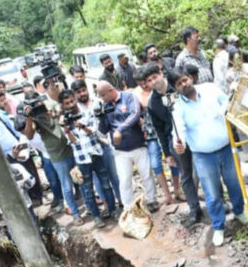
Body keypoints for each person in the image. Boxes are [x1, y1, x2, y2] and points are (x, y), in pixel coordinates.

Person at [170, 66, 245, 246]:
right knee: (211, 193)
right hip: (203, 156)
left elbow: (228, 104)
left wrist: (232, 96)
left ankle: (240, 211)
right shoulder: (178, 108)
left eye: (185, 79)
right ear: (175, 89)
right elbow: (179, 131)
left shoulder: (210, 89)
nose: (184, 84)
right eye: (179, 83)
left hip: (226, 148)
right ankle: (218, 226)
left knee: (234, 183)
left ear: (190, 77)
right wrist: (179, 145)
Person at [144, 63, 201, 224]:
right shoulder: (152, 104)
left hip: (194, 132)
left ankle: (219, 201)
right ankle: (194, 209)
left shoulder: (177, 85)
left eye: (154, 77)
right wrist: (167, 154)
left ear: (160, 73)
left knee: (205, 167)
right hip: (175, 140)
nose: (153, 82)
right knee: (186, 174)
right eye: (149, 80)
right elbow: (160, 130)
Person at [22, 80, 85, 226]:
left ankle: (89, 206)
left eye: (38, 103)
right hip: (56, 155)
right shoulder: (34, 119)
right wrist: (29, 117)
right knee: (67, 186)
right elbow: (29, 135)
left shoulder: (51, 107)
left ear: (41, 100)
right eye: (34, 105)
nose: (38, 106)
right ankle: (75, 214)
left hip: (70, 147)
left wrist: (54, 114)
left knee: (80, 179)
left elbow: (61, 103)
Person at [96, 81, 158, 211]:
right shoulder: (106, 106)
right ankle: (128, 207)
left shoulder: (129, 97)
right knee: (124, 180)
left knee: (146, 174)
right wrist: (101, 117)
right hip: (120, 150)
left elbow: (135, 114)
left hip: (138, 145)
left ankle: (152, 200)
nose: (102, 98)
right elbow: (102, 131)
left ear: (110, 90)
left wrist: (120, 129)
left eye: (103, 95)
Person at [59, 89, 115, 227]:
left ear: (75, 99)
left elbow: (95, 131)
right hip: (82, 159)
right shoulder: (64, 121)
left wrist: (83, 127)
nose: (71, 104)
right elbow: (73, 141)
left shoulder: (88, 112)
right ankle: (96, 217)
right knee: (88, 189)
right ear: (63, 106)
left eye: (72, 101)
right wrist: (66, 128)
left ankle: (113, 210)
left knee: (106, 184)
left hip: (96, 153)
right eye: (67, 103)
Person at [71, 79, 122, 206]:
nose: (82, 93)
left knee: (114, 176)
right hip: (91, 150)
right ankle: (106, 204)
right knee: (98, 180)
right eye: (78, 92)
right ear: (75, 94)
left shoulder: (98, 102)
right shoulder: (76, 110)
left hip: (105, 145)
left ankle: (122, 201)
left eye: (83, 90)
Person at [133, 66, 179, 205]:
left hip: (167, 130)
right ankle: (167, 195)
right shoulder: (136, 94)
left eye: (147, 81)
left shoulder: (163, 89)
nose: (146, 84)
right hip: (151, 132)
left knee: (174, 160)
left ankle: (177, 190)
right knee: (156, 164)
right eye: (143, 82)